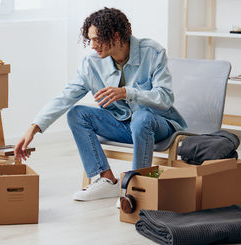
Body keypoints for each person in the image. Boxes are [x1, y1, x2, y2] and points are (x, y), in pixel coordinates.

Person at [14, 7, 187, 202]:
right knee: (77, 114)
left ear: (115, 35)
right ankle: (107, 180)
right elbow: (65, 96)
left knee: (141, 117)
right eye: (90, 39)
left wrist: (126, 93)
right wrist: (33, 128)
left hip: (159, 125)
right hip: (124, 126)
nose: (93, 45)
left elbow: (165, 98)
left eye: (97, 39)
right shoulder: (92, 63)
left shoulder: (152, 52)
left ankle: (136, 188)